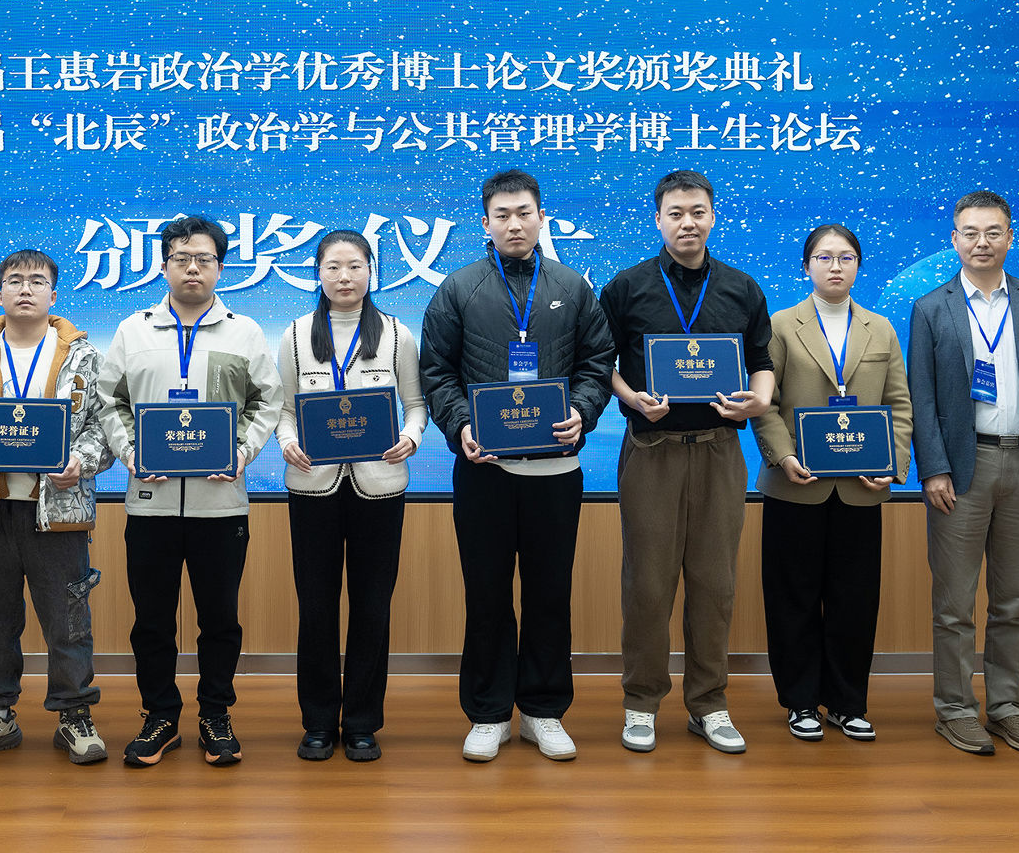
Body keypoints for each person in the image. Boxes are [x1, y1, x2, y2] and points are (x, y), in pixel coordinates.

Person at [419, 169, 615, 763]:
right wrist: (461, 426)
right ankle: (488, 713)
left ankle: (543, 711)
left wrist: (581, 411)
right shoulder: (459, 288)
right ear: (485, 222)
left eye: (524, 212)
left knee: (550, 594)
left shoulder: (572, 286)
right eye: (502, 215)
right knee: (486, 596)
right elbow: (436, 372)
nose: (514, 224)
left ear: (541, 217)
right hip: (485, 471)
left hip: (556, 472)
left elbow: (598, 361)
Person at [96, 215, 282, 767]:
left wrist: (241, 452)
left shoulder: (245, 332)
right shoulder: (133, 330)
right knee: (151, 621)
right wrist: (132, 453)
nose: (192, 268)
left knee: (219, 619)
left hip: (221, 505)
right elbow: (110, 402)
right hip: (149, 503)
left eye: (204, 258)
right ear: (164, 266)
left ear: (220, 267)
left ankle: (215, 716)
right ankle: (159, 716)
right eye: (181, 258)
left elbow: (267, 402)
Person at [599, 169, 774, 755]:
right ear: (658, 219)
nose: (687, 223)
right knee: (647, 585)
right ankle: (641, 702)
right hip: (652, 452)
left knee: (714, 584)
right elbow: (600, 363)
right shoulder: (627, 287)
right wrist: (631, 398)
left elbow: (761, 361)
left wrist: (760, 399)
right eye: (675, 213)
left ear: (713, 216)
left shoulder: (742, 288)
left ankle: (709, 703)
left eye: (697, 211)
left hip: (720, 450)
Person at [0, 250, 114, 764]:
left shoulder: (84, 356)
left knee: (67, 619)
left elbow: (105, 426)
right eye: (14, 280)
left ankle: (74, 714)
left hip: (59, 512)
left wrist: (81, 460)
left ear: (54, 294)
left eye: (36, 281)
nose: (25, 288)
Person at [908, 190, 1019, 756]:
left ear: (1009, 236)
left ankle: (1006, 707)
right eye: (970, 232)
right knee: (954, 605)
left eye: (993, 231)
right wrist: (933, 469)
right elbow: (922, 397)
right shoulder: (931, 308)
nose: (981, 242)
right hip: (962, 469)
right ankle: (955, 710)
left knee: (1013, 602)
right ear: (954, 239)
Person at [750, 224, 912, 742]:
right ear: (807, 267)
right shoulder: (780, 325)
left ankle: (847, 703)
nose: (835, 266)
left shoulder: (881, 329)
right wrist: (783, 456)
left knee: (855, 599)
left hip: (862, 487)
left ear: (858, 265)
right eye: (824, 257)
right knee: (792, 597)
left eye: (845, 257)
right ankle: (800, 702)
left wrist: (893, 462)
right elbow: (765, 403)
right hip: (795, 483)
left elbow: (899, 405)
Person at [276, 230, 428, 763]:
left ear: (370, 271)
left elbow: (415, 404)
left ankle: (363, 722)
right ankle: (318, 722)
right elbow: (285, 410)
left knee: (372, 606)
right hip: (312, 486)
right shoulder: (296, 334)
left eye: (356, 266)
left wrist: (411, 437)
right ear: (317, 273)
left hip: (380, 487)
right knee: (316, 607)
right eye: (333, 267)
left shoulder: (397, 334)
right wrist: (287, 442)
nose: (345, 277)